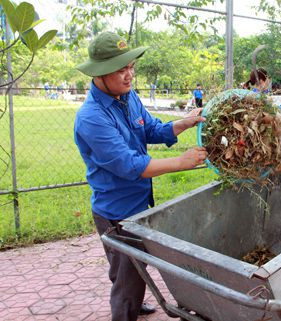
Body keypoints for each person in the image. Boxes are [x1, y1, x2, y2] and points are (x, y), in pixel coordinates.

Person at [74, 32, 207, 321]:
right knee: (126, 275)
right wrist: (181, 162)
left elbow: (150, 130)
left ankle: (133, 296)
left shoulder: (127, 96)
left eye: (131, 66)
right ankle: (125, 311)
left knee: (130, 265)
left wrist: (182, 123)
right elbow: (130, 165)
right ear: (99, 73)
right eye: (121, 69)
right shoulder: (92, 118)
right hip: (116, 211)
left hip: (138, 201)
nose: (129, 74)